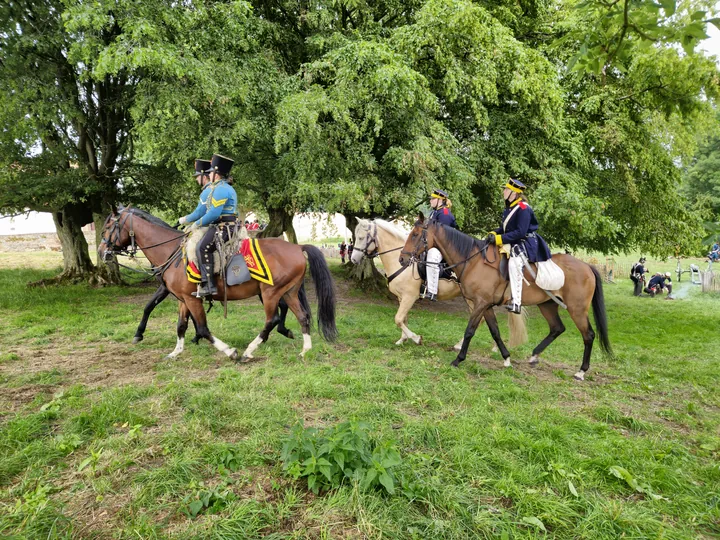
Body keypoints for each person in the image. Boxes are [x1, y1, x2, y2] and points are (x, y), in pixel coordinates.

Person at [487, 178, 552, 314]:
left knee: (514, 263)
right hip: (514, 241)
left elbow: (520, 232)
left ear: (514, 193)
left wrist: (499, 239)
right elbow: (505, 228)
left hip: (526, 242)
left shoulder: (523, 208)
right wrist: (494, 233)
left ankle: (516, 302)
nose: (504, 191)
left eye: (506, 189)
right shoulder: (510, 207)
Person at [178, 154, 238, 298]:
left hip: (225, 227)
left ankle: (209, 285)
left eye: (211, 171)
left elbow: (213, 214)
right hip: (221, 226)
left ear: (216, 174)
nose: (209, 173)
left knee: (202, 247)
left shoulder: (221, 189)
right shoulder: (218, 188)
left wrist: (195, 224)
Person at [423, 188, 458, 301]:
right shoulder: (435, 212)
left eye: (433, 199)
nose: (431, 201)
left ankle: (432, 291)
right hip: (436, 244)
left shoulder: (445, 214)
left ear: (440, 200)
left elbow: (442, 237)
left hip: (445, 247)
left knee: (432, 255)